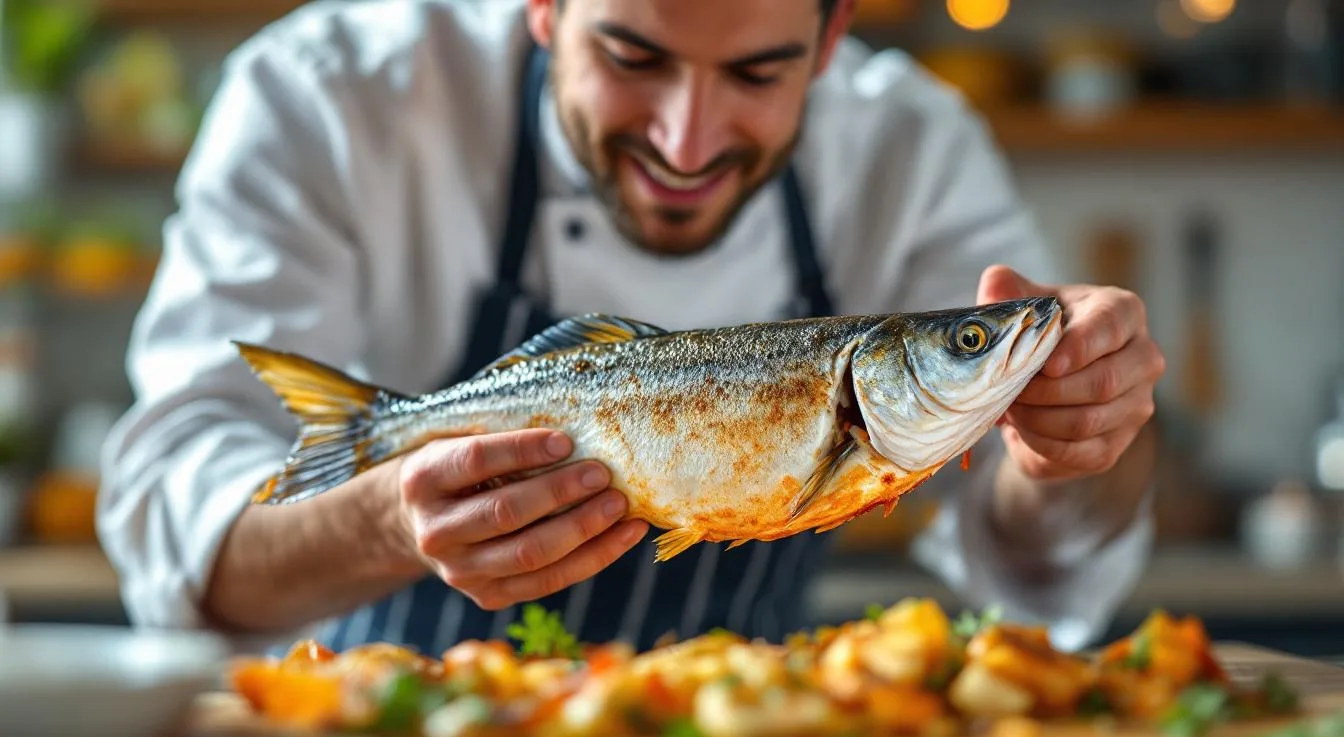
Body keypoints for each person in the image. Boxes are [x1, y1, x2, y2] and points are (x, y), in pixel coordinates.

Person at [96, 0, 1166, 656]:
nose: (687, 141)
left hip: (755, 735)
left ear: (832, 35)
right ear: (544, 6)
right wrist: (386, 520)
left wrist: (1078, 432)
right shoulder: (331, 96)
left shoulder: (913, 147)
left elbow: (1041, 575)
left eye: (756, 73)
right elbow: (170, 536)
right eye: (633, 57)